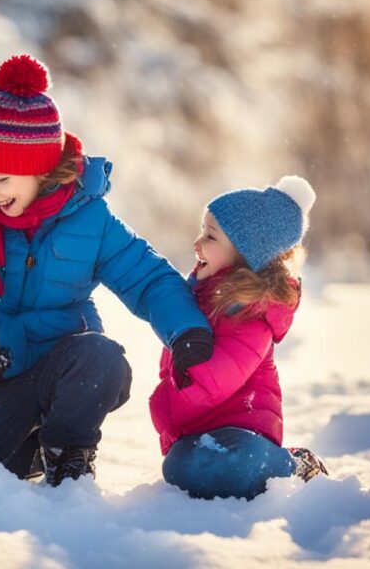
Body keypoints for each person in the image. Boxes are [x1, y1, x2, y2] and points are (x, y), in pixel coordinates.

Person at [0, 54, 213, 486]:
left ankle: (69, 448)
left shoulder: (89, 219)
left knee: (101, 359)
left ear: (40, 168)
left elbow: (148, 277)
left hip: (69, 362)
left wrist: (185, 330)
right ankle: (32, 445)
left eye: (3, 179)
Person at [148, 175, 329, 500]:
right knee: (179, 467)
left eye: (211, 236)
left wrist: (163, 403)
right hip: (200, 430)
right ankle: (222, 467)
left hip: (243, 434)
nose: (197, 244)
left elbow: (209, 384)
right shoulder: (198, 296)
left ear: (243, 254)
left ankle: (291, 464)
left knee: (229, 464)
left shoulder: (253, 314)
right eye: (202, 231)